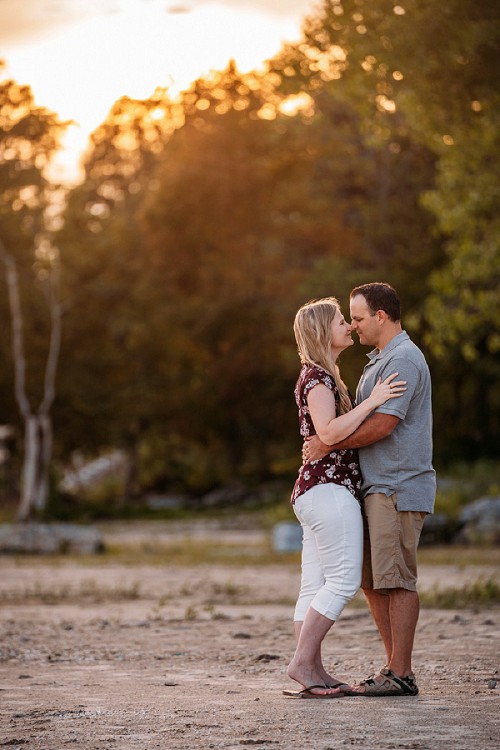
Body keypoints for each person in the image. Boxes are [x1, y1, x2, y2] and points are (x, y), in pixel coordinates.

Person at [304, 283, 436, 697]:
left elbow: (384, 426)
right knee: (371, 579)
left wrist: (329, 441)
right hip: (374, 488)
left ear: (381, 316)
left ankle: (402, 672)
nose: (354, 325)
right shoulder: (377, 361)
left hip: (397, 485)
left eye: (358, 318)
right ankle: (392, 667)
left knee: (396, 579)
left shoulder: (404, 359)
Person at [284, 297, 406, 699]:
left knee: (314, 584)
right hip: (329, 489)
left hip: (316, 491)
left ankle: (313, 669)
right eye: (341, 321)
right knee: (343, 580)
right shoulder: (318, 378)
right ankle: (303, 663)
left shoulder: (320, 375)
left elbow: (326, 435)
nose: (348, 327)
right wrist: (373, 401)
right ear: (322, 331)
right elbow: (330, 432)